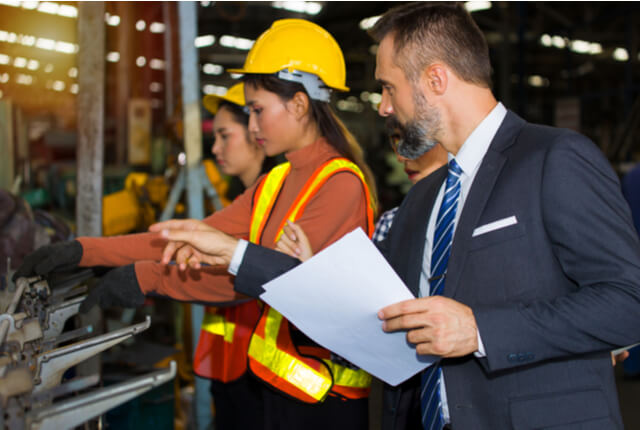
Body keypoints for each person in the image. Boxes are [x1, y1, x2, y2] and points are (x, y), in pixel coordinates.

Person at [152, 4, 640, 430]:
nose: (384, 107)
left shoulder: (551, 158)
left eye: (388, 87)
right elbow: (372, 311)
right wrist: (238, 255)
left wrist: (480, 331)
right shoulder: (425, 198)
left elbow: (628, 301)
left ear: (435, 79)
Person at [15, 18, 378, 430]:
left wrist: (147, 278)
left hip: (325, 403)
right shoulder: (275, 182)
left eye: (258, 111)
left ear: (298, 104)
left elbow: (269, 280)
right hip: (277, 390)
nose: (253, 126)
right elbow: (190, 236)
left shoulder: (339, 185)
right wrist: (85, 251)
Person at [275, 116, 447, 261]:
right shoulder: (391, 225)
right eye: (396, 141)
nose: (401, 156)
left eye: (415, 141)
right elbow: (372, 297)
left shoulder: (343, 182)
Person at [198, 82, 269, 430]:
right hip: (228, 370)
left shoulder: (276, 210)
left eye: (225, 136)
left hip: (260, 381)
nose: (215, 148)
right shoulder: (237, 201)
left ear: (257, 133)